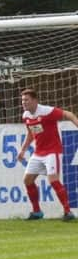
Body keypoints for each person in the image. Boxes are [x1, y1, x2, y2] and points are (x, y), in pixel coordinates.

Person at [18, 88, 78, 221]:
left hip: (53, 151)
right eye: (22, 100)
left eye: (26, 100)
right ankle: (37, 212)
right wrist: (22, 150)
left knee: (53, 180)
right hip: (38, 152)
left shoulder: (46, 111)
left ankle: (68, 212)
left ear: (35, 100)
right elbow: (31, 134)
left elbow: (68, 114)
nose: (24, 103)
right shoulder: (26, 116)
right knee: (27, 180)